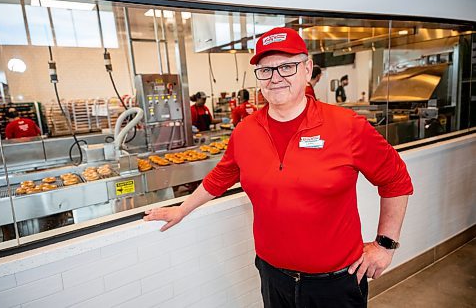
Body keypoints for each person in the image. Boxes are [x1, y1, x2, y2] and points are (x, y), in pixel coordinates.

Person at [145, 27, 413, 308]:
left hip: (335, 282)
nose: (276, 78)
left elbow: (396, 179)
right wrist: (182, 209)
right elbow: (220, 176)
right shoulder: (246, 131)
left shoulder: (347, 126)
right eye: (266, 70)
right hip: (273, 277)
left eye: (287, 66)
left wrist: (385, 245)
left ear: (307, 69)